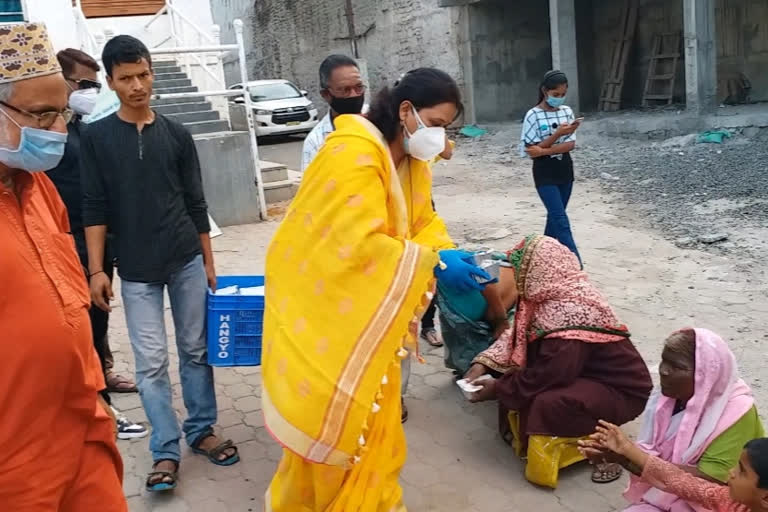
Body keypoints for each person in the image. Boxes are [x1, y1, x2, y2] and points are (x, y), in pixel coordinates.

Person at [262, 67, 490, 511]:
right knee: (332, 426)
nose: (442, 139)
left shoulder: (412, 159)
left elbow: (423, 222)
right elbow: (356, 246)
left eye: (448, 128)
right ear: (407, 111)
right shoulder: (353, 153)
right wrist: (432, 262)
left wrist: (446, 251)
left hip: (372, 324)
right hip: (328, 311)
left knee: (376, 428)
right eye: (438, 125)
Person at [81, 35, 238, 492]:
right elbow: (94, 207)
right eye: (126, 78)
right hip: (135, 270)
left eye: (144, 75)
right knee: (150, 364)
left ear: (152, 74)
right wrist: (96, 271)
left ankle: (202, 430)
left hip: (185, 259)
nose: (137, 86)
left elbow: (196, 202)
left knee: (195, 351)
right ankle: (165, 450)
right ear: (110, 82)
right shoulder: (96, 139)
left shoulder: (177, 134)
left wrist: (209, 263)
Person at [0, 22, 127, 511]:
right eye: (42, 114)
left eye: (62, 112)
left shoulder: (39, 190)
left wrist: (95, 396)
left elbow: (67, 302)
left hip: (83, 432)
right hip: (14, 466)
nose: (59, 129)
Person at [465, 234, 653, 488]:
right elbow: (516, 336)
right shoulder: (549, 294)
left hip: (620, 390)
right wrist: (483, 364)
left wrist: (498, 389)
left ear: (539, 270)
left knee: (545, 401)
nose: (519, 275)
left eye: (523, 269)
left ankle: (601, 450)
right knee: (518, 382)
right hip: (583, 373)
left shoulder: (571, 310)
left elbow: (550, 375)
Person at [46, 48, 146, 440]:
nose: (91, 92)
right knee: (80, 325)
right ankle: (99, 406)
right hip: (66, 242)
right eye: (84, 84)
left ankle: (102, 376)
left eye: (94, 83)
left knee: (98, 317)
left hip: (96, 240)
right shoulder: (48, 135)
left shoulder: (83, 127)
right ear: (65, 84)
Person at [581, 328, 764, 511]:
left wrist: (629, 455)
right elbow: (685, 483)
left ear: (705, 375)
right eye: (664, 361)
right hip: (673, 490)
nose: (663, 371)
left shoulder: (736, 412)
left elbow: (709, 481)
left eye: (676, 367)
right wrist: (622, 456)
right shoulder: (665, 399)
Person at [581, 422, 768, 512]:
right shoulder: (733, 502)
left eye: (741, 472)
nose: (731, 472)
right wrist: (628, 450)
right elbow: (681, 482)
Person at [521, 70, 582, 265]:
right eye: (555, 95)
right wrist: (557, 135)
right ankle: (576, 264)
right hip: (544, 172)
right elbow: (530, 149)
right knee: (561, 220)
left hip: (564, 168)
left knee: (555, 219)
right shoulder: (533, 115)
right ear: (545, 91)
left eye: (562, 95)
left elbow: (570, 144)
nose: (559, 98)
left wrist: (544, 149)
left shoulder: (566, 111)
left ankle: (540, 258)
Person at [301, 54, 367, 172]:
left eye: (359, 87)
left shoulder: (379, 119)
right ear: (326, 94)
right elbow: (314, 187)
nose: (354, 94)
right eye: (344, 90)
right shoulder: (316, 142)